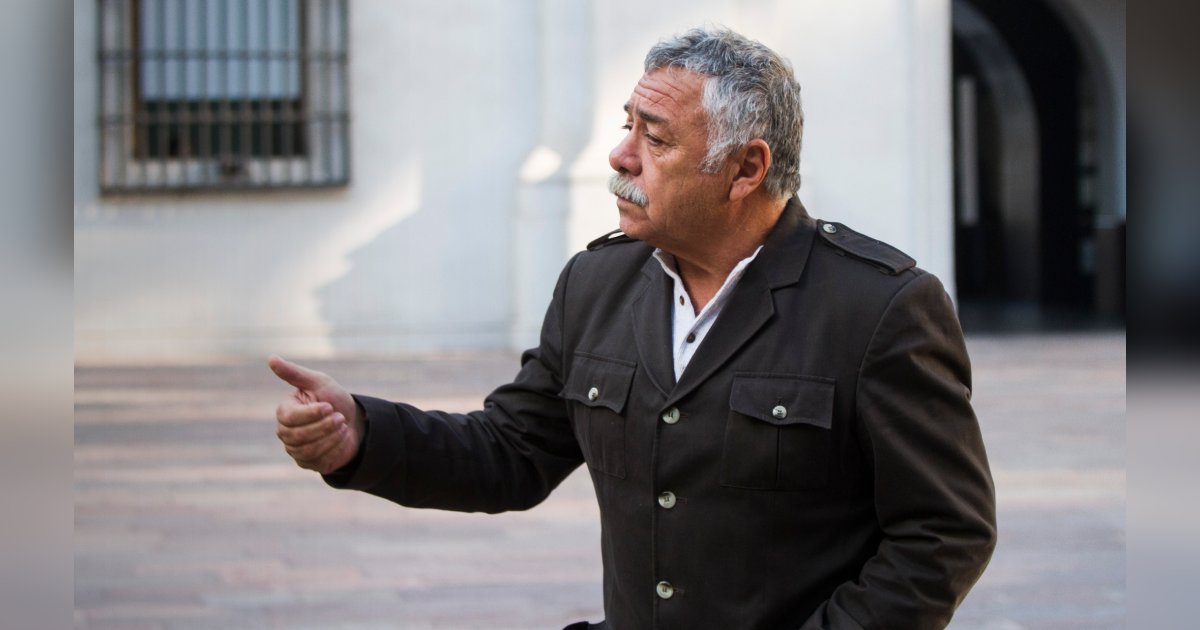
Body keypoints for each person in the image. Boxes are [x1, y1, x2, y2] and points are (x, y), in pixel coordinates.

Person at [269, 27, 996, 630]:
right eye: (628, 127)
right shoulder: (597, 283)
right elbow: (512, 451)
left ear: (745, 169)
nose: (620, 157)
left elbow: (943, 533)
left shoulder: (878, 308)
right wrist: (364, 434)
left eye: (655, 139)